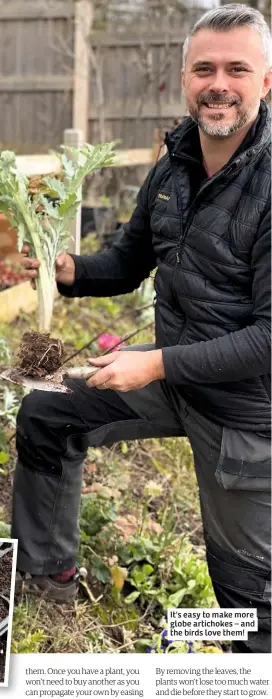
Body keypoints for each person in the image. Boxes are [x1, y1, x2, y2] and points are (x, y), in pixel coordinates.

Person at [14, 4, 271, 653]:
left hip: (249, 409)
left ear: (265, 81)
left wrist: (155, 363)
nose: (219, 83)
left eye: (237, 69)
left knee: (246, 593)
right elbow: (128, 263)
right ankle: (50, 579)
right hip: (175, 374)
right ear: (185, 77)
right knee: (47, 413)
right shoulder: (174, 166)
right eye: (205, 68)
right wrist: (65, 268)